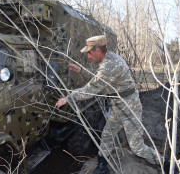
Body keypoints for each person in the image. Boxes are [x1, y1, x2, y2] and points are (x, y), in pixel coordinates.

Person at [55, 35, 162, 174]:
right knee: (107, 135)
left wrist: (68, 98)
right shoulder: (109, 59)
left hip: (129, 106)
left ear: (98, 50)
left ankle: (165, 163)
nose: (88, 56)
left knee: (137, 147)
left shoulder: (110, 65)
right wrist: (80, 70)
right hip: (118, 104)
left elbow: (92, 88)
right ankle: (102, 166)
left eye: (89, 52)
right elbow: (99, 77)